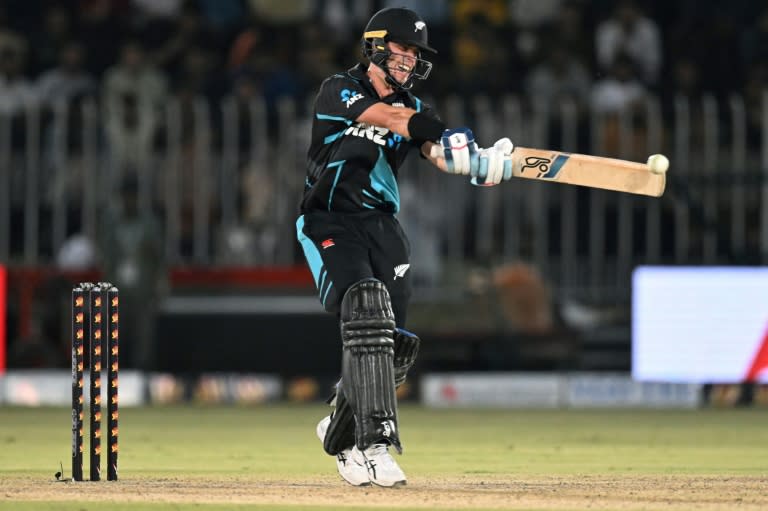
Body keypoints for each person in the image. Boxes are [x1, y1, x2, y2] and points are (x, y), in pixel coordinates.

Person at [295, 7, 514, 487]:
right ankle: (375, 442)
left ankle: (339, 430)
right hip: (329, 220)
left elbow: (437, 153)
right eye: (403, 48)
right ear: (375, 45)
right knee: (366, 309)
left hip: (382, 227)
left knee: (394, 343)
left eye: (416, 52)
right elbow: (393, 120)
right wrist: (440, 131)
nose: (410, 59)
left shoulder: (415, 109)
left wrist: (478, 164)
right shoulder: (339, 89)